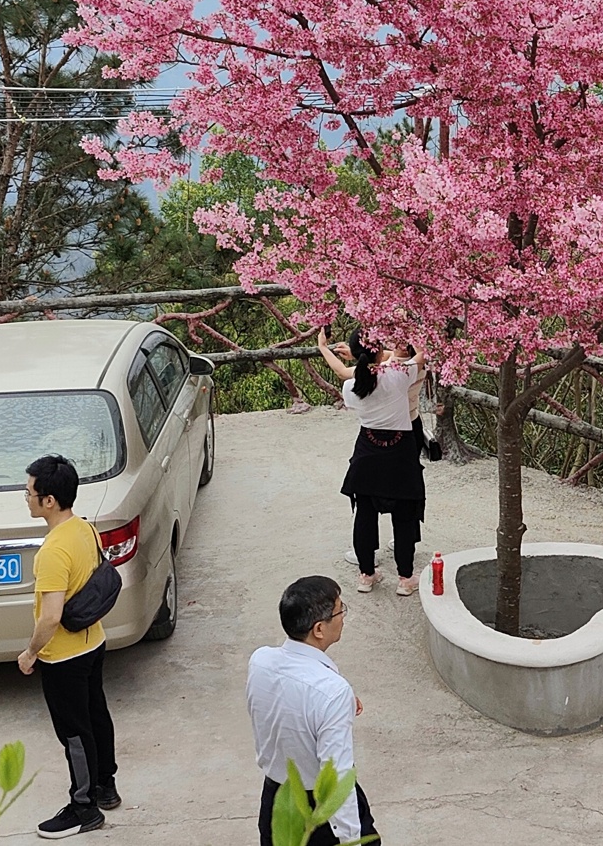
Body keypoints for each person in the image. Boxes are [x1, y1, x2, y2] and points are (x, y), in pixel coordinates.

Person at [19, 454, 118, 839]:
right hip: (94, 642)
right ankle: (106, 786)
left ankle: (83, 806)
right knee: (96, 715)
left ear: (49, 501)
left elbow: (50, 616)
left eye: (29, 492)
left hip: (63, 656)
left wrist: (30, 653)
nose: (25, 497)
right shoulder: (84, 529)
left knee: (74, 732)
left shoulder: (52, 552)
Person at [248, 576, 379, 845]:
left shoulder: (260, 661)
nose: (343, 617)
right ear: (319, 629)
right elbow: (336, 774)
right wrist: (350, 838)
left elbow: (282, 700)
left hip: (276, 802)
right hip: (318, 814)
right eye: (340, 611)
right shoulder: (332, 691)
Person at [319, 326, 436, 595]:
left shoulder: (351, 386)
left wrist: (323, 347)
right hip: (400, 450)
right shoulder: (397, 376)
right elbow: (422, 356)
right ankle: (405, 579)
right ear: (381, 351)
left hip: (367, 450)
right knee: (405, 516)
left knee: (365, 513)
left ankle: (366, 575)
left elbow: (344, 372)